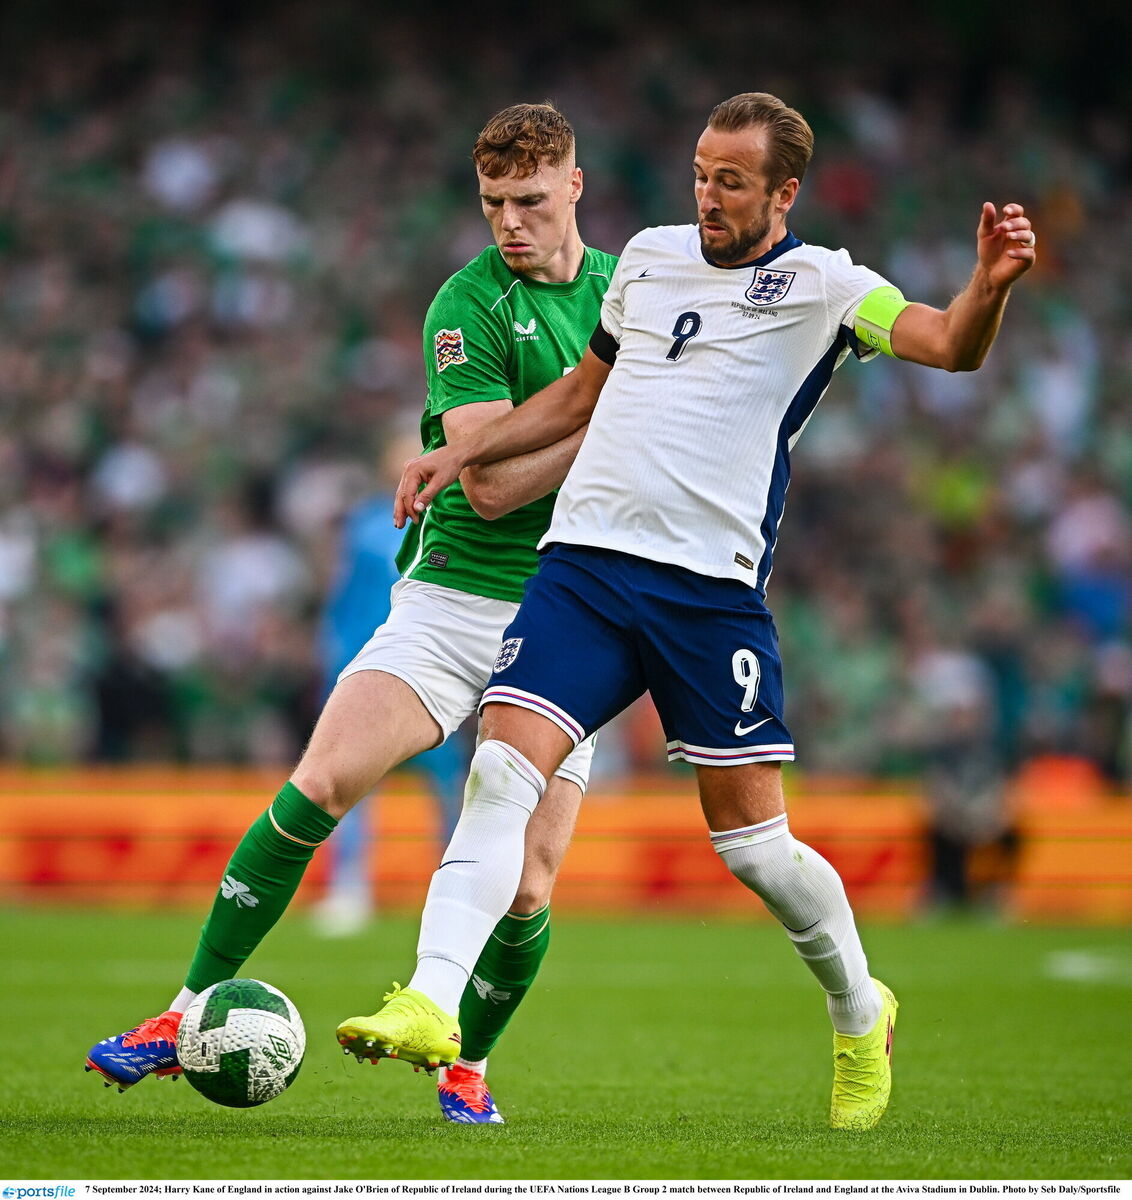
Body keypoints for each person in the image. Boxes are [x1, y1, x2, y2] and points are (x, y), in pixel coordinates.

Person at [343, 91, 1037, 1131]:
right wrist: (464, 447)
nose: (707, 196)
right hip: (584, 567)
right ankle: (431, 998)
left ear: (782, 192)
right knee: (499, 768)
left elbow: (947, 345)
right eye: (701, 174)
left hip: (708, 597)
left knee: (753, 849)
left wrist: (986, 289)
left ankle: (859, 1007)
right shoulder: (651, 261)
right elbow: (581, 395)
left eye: (731, 181)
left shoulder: (828, 286)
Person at [84, 101, 618, 1126]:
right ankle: (182, 1007)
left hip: (568, 613)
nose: (510, 223)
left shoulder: (623, 292)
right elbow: (492, 487)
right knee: (322, 779)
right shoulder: (464, 307)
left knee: (529, 886)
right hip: (454, 595)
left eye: (531, 201)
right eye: (494, 203)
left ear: (575, 188)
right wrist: (613, 418)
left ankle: (467, 1061)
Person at [310, 426, 467, 938]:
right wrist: (336, 652)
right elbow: (340, 597)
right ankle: (349, 886)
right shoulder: (366, 526)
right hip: (372, 665)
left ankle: (453, 893)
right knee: (351, 784)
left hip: (432, 671)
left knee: (447, 789)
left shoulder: (449, 520)